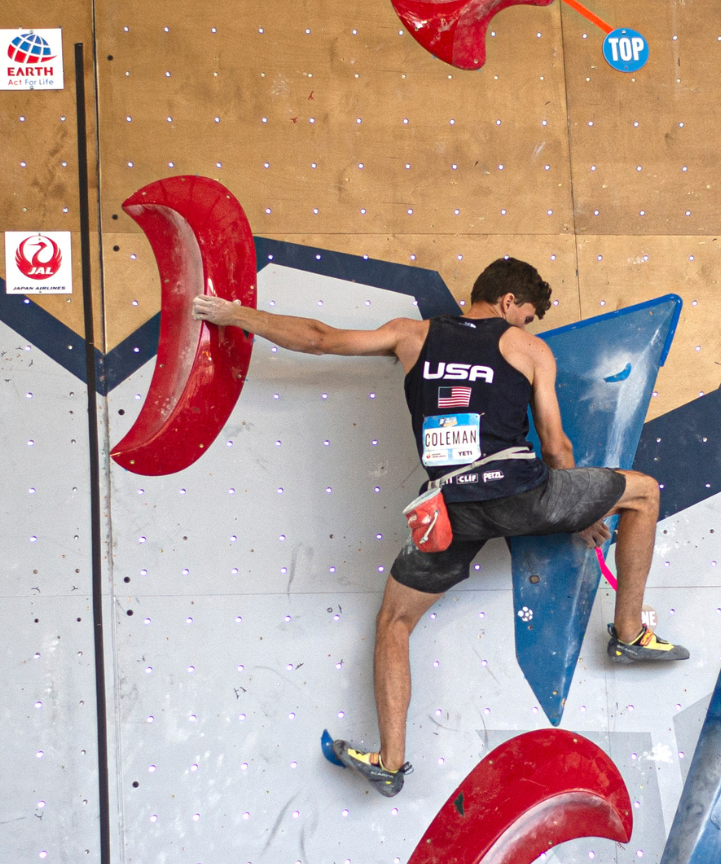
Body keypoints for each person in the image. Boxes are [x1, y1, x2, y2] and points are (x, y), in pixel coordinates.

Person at [191, 258, 689, 796]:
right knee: (643, 492)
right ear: (506, 303)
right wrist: (580, 512)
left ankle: (390, 760)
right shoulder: (526, 350)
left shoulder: (410, 336)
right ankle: (630, 634)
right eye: (524, 316)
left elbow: (318, 339)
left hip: (451, 510)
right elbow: (555, 446)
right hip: (522, 494)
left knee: (394, 623)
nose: (523, 327)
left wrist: (234, 313)